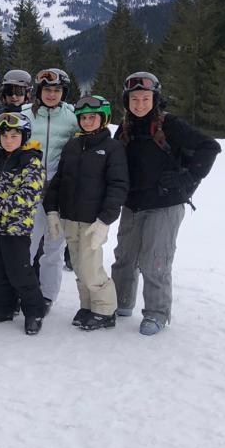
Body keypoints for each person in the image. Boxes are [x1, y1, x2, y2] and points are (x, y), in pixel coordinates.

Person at [110, 72, 220, 335]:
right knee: (124, 257)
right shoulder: (125, 128)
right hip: (133, 203)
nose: (139, 104)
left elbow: (209, 147)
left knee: (155, 259)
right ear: (127, 101)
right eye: (134, 99)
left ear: (155, 99)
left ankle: (156, 312)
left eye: (145, 99)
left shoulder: (170, 125)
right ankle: (121, 302)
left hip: (165, 203)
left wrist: (189, 176)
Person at [43, 95, 129, 331]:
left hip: (94, 220)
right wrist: (51, 210)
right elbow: (59, 180)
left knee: (91, 268)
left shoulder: (112, 148)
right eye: (83, 118)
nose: (87, 121)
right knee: (79, 266)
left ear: (104, 119)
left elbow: (118, 186)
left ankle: (105, 310)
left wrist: (105, 220)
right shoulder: (73, 145)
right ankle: (88, 305)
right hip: (70, 217)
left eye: (92, 117)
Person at [0, 112, 46, 335]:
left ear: (24, 137)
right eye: (4, 135)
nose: (8, 140)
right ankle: (4, 306)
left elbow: (29, 193)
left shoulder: (31, 161)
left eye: (14, 135)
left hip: (15, 228)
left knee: (19, 271)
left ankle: (34, 311)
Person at [23, 68, 80, 307]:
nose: (52, 94)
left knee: (54, 248)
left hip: (59, 192)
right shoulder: (25, 114)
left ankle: (47, 296)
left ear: (64, 92)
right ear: (39, 91)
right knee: (26, 245)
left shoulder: (72, 116)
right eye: (47, 89)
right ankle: (22, 291)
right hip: (30, 190)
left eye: (57, 90)